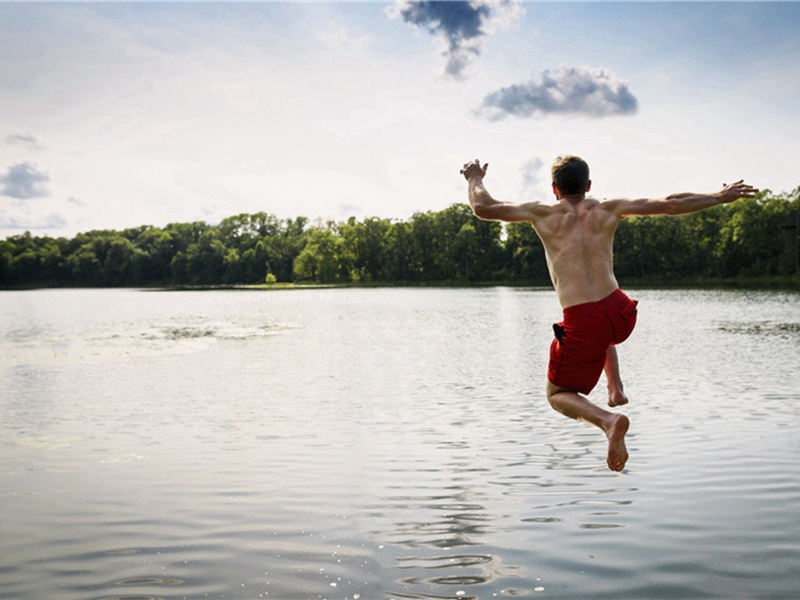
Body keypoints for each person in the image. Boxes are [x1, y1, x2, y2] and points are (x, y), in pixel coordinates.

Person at [460, 156, 757, 471]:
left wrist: (474, 178)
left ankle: (608, 420)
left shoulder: (542, 213)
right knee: (601, 331)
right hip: (621, 312)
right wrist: (719, 196)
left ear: (554, 188)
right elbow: (671, 204)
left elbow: (484, 208)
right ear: (588, 187)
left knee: (557, 394)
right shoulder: (609, 207)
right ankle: (615, 388)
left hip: (584, 321)